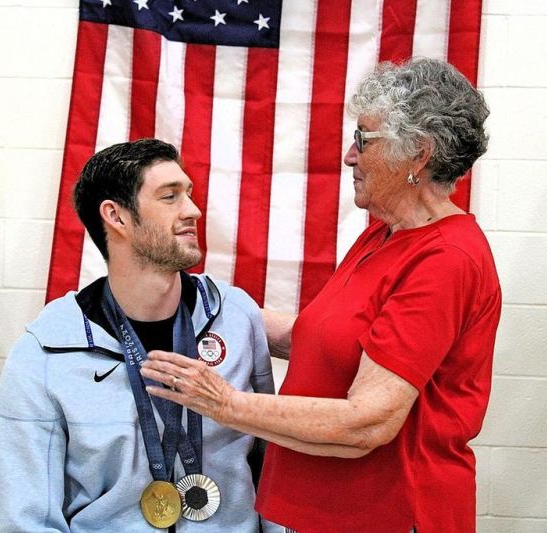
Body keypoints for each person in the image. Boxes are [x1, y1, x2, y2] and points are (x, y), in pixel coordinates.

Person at [140, 57, 502, 533]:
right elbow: (315, 340)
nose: (350, 156)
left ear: (418, 153)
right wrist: (195, 298)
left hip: (386, 515)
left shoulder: (446, 259)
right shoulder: (385, 236)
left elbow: (366, 423)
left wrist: (225, 404)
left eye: (363, 140)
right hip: (325, 513)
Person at [0, 139, 281, 532]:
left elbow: (272, 466)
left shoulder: (236, 316)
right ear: (117, 217)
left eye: (189, 194)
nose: (192, 210)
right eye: (170, 197)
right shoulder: (43, 354)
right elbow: (27, 520)